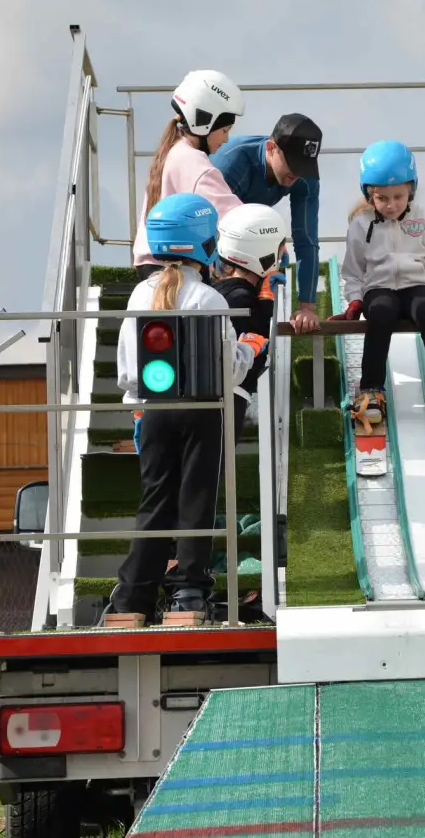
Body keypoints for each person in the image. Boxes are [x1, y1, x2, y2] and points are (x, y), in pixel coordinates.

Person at [108, 192, 270, 625]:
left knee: (155, 501)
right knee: (196, 498)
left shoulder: (140, 294)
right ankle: (189, 596)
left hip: (153, 411)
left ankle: (130, 600)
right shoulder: (210, 299)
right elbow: (229, 370)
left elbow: (127, 371)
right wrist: (252, 347)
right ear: (205, 244)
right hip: (204, 413)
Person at [333, 140, 425, 429]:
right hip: (379, 288)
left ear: (411, 189)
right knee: (381, 312)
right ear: (369, 194)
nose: (391, 205)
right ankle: (371, 391)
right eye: (382, 198)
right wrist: (355, 299)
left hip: (417, 285)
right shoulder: (361, 225)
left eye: (398, 196)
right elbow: (353, 272)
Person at [209, 114, 324, 334]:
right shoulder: (234, 162)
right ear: (271, 147)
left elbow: (306, 239)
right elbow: (209, 229)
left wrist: (306, 308)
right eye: (293, 164)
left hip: (246, 236)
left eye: (305, 167)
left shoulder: (304, 176)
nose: (298, 173)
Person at [131, 70, 246, 283]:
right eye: (225, 130)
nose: (226, 139)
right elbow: (237, 221)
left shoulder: (172, 150)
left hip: (152, 268)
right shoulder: (195, 164)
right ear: (205, 122)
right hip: (177, 272)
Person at [210, 203, 290, 440]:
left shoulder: (221, 291)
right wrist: (266, 303)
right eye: (279, 247)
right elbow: (256, 348)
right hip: (229, 399)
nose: (283, 253)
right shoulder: (241, 298)